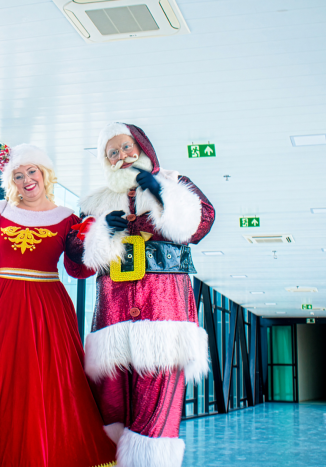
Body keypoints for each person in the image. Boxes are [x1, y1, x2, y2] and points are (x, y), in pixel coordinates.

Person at [0, 144, 117, 467]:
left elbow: (78, 267)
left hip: (48, 311)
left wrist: (94, 239)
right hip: (2, 307)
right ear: (11, 182)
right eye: (18, 175)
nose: (27, 180)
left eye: (31, 171)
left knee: (50, 384)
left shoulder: (67, 218)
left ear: (45, 174)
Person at [66, 123, 215, 467]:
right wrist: (100, 230)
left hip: (165, 315)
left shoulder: (176, 183)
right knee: (110, 406)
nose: (122, 156)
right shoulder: (95, 203)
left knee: (157, 406)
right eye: (112, 152)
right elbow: (75, 260)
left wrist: (164, 195)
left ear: (142, 147)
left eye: (126, 147)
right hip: (112, 319)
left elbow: (202, 223)